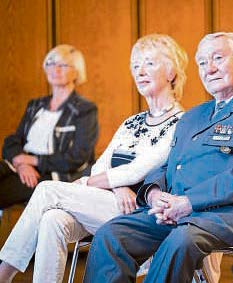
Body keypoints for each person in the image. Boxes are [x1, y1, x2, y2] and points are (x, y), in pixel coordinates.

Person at [83, 32, 233, 283]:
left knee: (181, 241)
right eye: (202, 63)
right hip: (181, 213)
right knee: (112, 234)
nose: (210, 68)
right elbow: (169, 166)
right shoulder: (192, 117)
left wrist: (188, 202)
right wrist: (154, 194)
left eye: (218, 58)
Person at [0, 34, 187, 283]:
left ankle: (4, 273)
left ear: (172, 72)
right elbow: (101, 164)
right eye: (135, 66)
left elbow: (137, 171)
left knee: (46, 190)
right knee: (51, 219)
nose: (140, 71)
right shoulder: (131, 122)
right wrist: (117, 185)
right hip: (108, 201)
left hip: (139, 211)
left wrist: (89, 183)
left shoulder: (180, 123)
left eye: (149, 63)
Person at [0, 44, 98, 208]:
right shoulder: (35, 105)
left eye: (63, 65)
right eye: (50, 64)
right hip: (21, 167)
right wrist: (22, 163)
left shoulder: (85, 110)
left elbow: (78, 157)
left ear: (76, 72)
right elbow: (13, 140)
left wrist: (33, 161)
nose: (55, 69)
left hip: (53, 174)